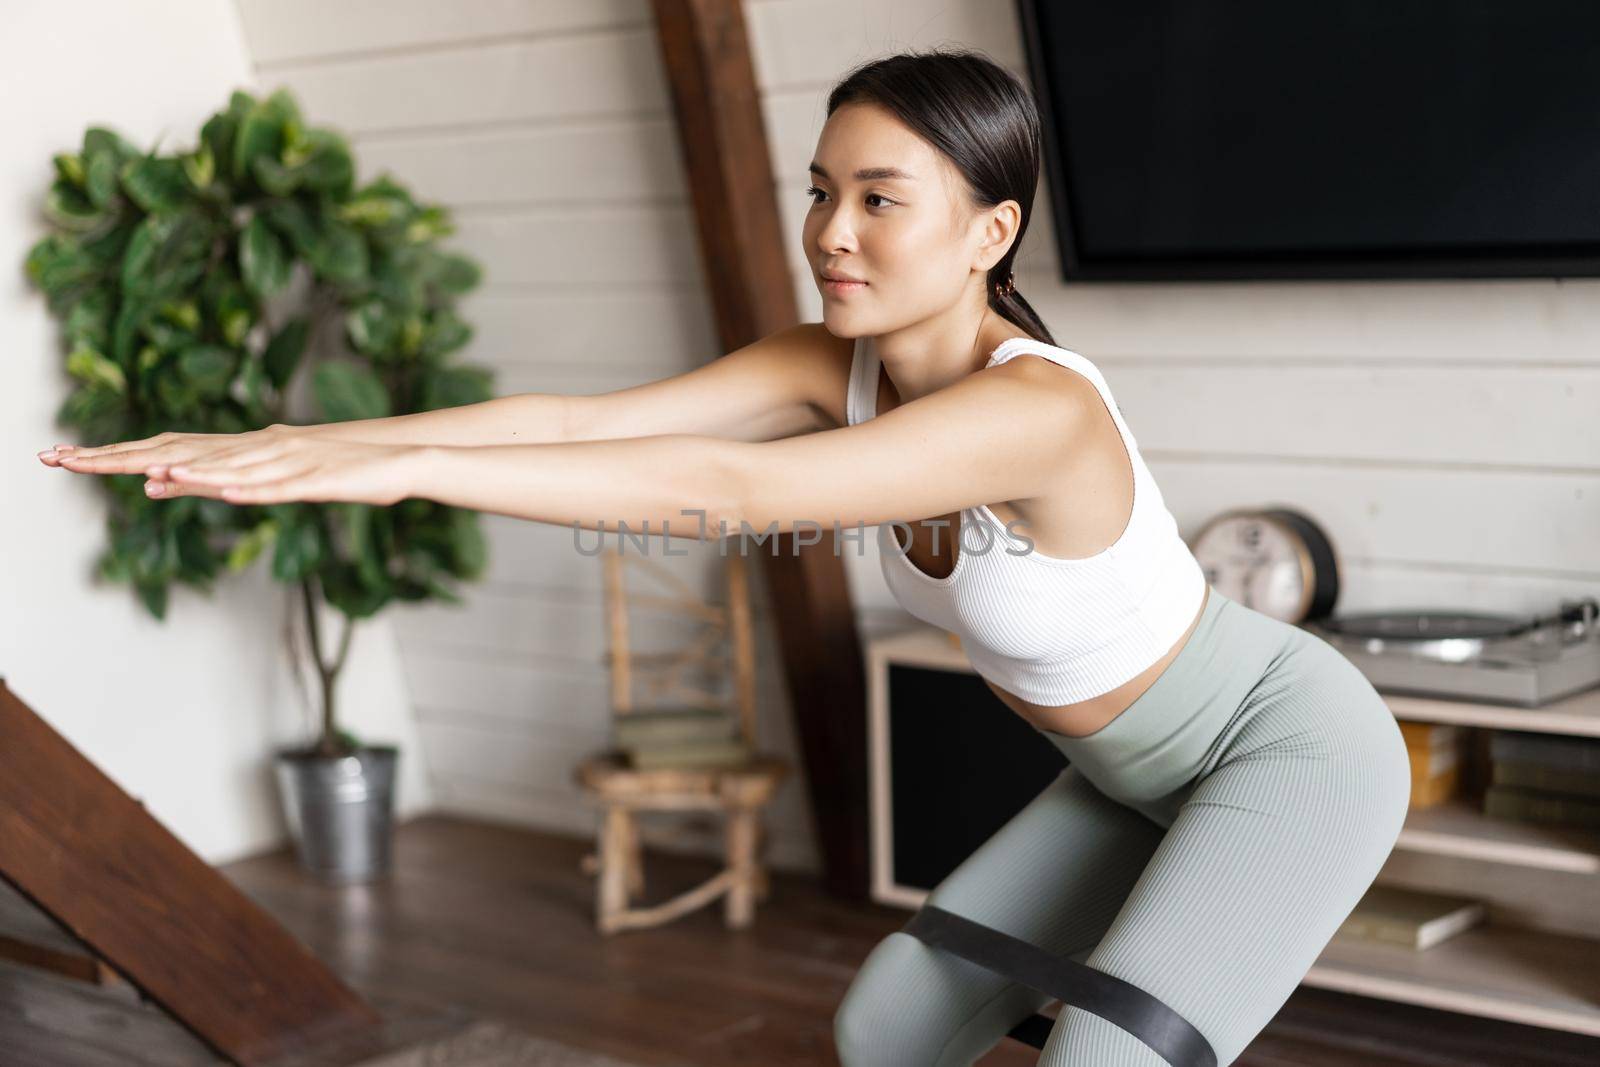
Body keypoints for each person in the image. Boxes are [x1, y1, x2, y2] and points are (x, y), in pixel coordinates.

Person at [38, 47, 1410, 1067]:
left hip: (1286, 757)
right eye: (822, 191)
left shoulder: (1036, 410)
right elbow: (579, 422)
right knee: (888, 1025)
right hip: (1126, 778)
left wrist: (396, 473)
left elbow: (732, 490)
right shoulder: (838, 363)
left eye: (881, 199)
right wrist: (314, 439)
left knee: (1106, 1058)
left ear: (991, 232)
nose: (830, 231)